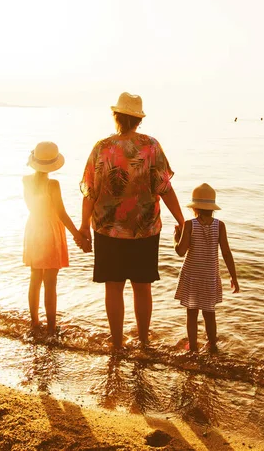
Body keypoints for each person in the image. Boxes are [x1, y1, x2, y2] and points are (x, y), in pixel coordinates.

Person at [79, 92, 185, 349]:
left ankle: (117, 344)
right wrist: (182, 221)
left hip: (107, 229)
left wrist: (83, 226)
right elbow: (164, 187)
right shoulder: (150, 146)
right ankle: (144, 342)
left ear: (116, 116)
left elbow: (89, 192)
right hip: (144, 229)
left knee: (113, 288)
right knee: (142, 288)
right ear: (138, 120)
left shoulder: (101, 148)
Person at [23, 141, 89, 335]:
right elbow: (61, 213)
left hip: (33, 228)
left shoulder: (25, 180)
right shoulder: (53, 184)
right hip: (50, 230)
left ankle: (34, 322)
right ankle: (51, 326)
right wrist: (79, 237)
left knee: (35, 278)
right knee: (50, 282)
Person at [174, 183, 239, 352]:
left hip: (191, 275)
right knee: (209, 313)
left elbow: (181, 252)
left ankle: (193, 348)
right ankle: (212, 345)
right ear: (212, 208)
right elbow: (226, 252)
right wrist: (234, 276)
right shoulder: (220, 225)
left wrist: (176, 237)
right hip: (209, 276)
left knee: (192, 313)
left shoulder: (189, 225)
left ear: (195, 208)